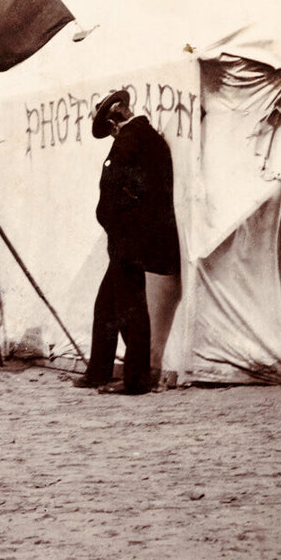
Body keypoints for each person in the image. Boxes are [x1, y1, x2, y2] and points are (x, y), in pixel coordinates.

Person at [74, 89, 180, 395]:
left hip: (127, 239)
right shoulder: (153, 140)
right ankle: (99, 372)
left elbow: (113, 192)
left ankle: (134, 380)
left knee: (131, 308)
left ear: (115, 119)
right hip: (139, 237)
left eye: (109, 127)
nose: (111, 133)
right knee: (106, 306)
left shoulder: (128, 143)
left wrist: (110, 224)